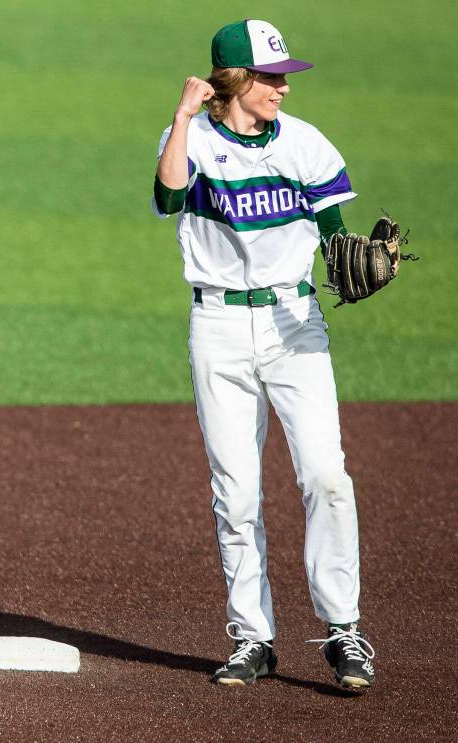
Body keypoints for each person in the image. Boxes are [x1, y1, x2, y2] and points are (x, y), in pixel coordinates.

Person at [152, 20, 376, 690]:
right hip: (216, 327)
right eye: (270, 75)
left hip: (294, 323)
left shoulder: (304, 143)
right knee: (237, 491)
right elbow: (167, 197)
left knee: (327, 476)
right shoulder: (189, 140)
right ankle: (253, 637)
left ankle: (345, 631)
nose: (282, 86)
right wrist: (182, 117)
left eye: (283, 76)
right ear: (234, 81)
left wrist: (348, 253)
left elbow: (336, 232)